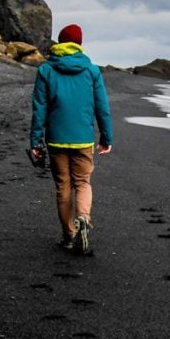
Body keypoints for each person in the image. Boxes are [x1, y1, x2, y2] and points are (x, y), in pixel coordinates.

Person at [29, 24, 113, 254]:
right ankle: (83, 218)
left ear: (60, 42)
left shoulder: (46, 70)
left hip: (56, 139)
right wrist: (107, 136)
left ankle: (68, 236)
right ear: (79, 44)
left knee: (63, 187)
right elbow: (102, 107)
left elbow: (39, 109)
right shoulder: (91, 71)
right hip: (83, 139)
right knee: (83, 182)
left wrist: (35, 140)